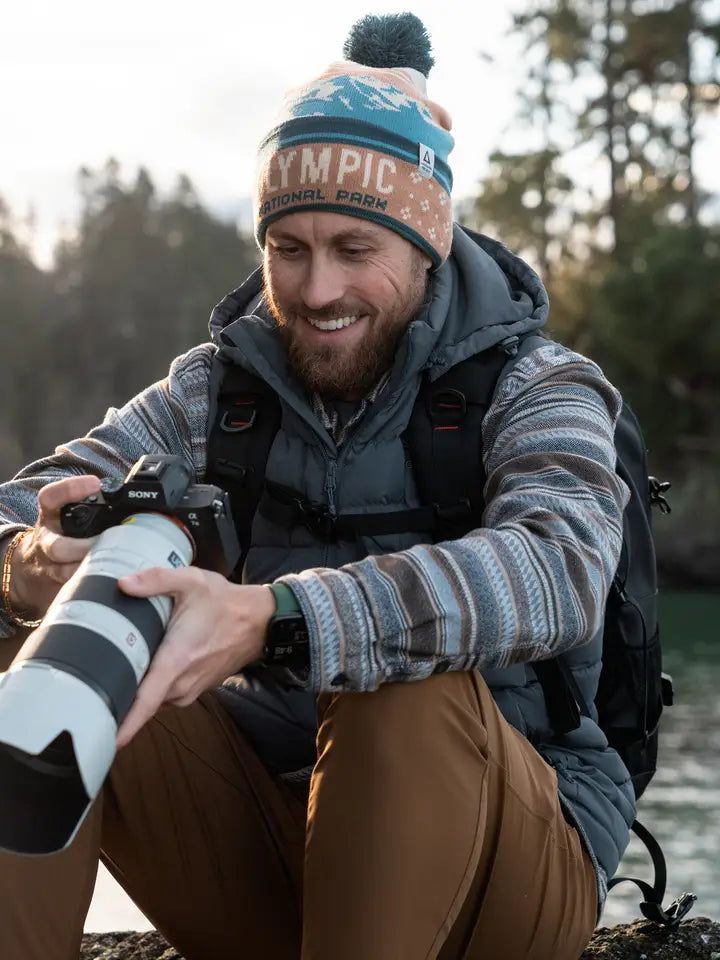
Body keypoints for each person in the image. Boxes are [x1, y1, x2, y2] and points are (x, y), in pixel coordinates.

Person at [0, 13, 636, 960]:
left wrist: (277, 618)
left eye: (353, 247)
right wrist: (41, 560)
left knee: (399, 688)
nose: (316, 288)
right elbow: (21, 506)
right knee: (54, 660)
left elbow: (560, 569)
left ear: (425, 243)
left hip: (506, 875)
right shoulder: (219, 389)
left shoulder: (540, 385)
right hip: (267, 849)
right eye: (287, 248)